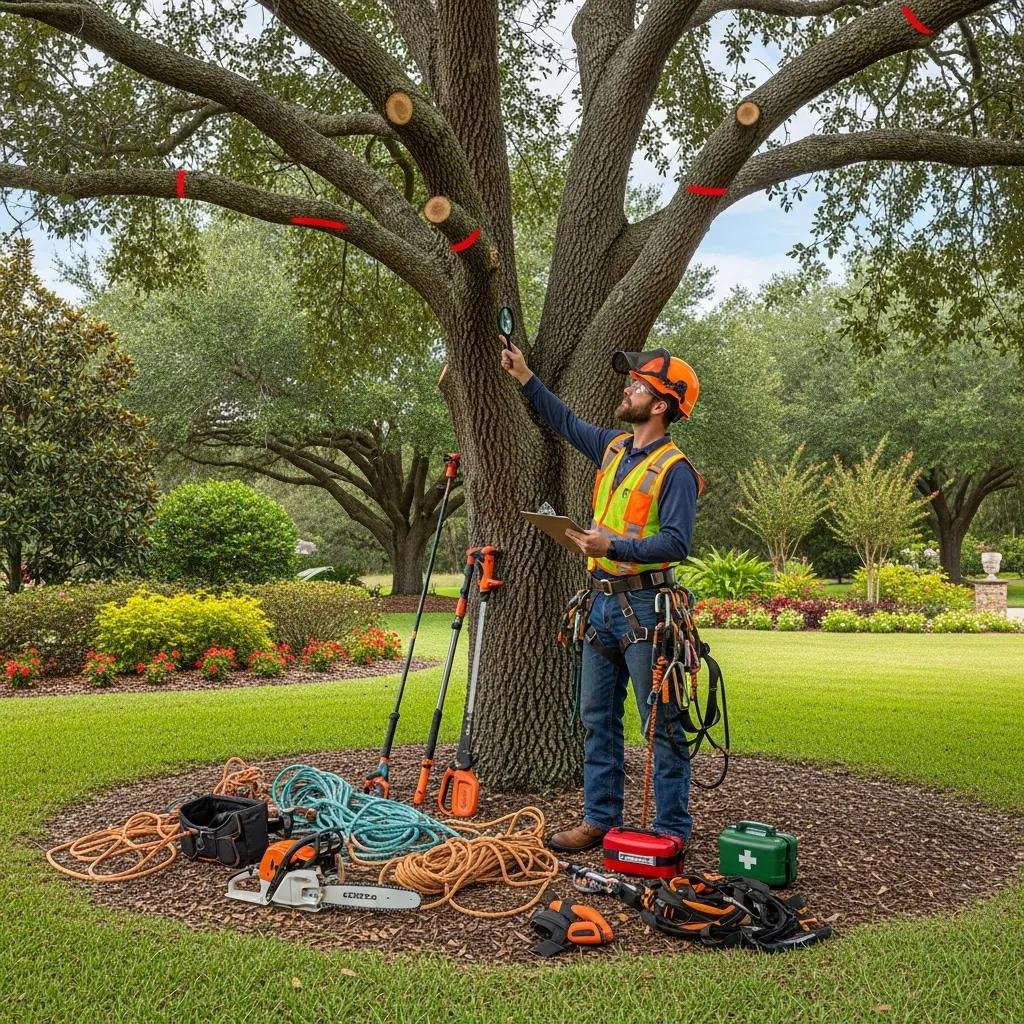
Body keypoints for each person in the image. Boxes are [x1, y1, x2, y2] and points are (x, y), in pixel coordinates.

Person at [501, 340, 704, 853]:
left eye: (637, 385)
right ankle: (599, 819)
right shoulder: (614, 447)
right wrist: (526, 375)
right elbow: (565, 422)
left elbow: (677, 543)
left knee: (660, 723)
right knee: (596, 720)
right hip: (600, 605)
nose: (627, 388)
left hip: (647, 609)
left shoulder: (676, 470)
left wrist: (610, 544)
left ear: (660, 405)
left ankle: (671, 831)